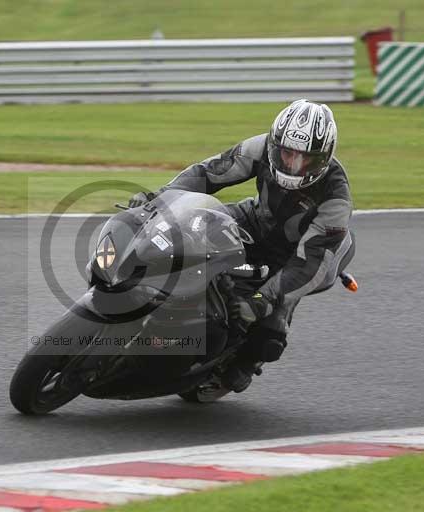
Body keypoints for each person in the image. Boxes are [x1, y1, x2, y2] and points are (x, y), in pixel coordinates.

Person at [128, 99, 355, 392]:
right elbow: (208, 173)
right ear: (276, 144)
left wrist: (262, 300)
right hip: (255, 219)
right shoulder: (260, 148)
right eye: (287, 154)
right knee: (186, 230)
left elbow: (310, 264)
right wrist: (160, 200)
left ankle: (241, 366)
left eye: (305, 158)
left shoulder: (336, 197)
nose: (294, 165)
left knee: (269, 330)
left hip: (297, 253)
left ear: (324, 157)